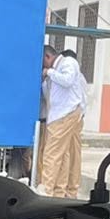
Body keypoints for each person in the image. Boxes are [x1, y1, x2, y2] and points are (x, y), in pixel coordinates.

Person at [36, 43, 88, 196]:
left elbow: (68, 80)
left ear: (48, 56)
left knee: (51, 154)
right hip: (57, 115)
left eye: (43, 62)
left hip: (65, 115)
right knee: (63, 156)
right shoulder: (53, 73)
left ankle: (47, 189)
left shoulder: (68, 63)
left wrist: (49, 72)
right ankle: (59, 191)